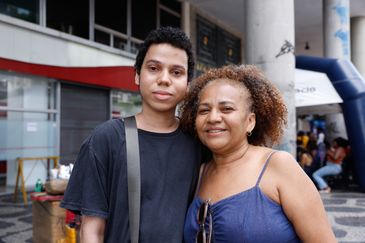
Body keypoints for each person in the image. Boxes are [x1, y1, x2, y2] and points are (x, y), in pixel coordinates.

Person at [60, 26, 201, 242]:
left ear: (188, 85)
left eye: (176, 72)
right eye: (154, 68)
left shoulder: (198, 143)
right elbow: (92, 230)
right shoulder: (106, 139)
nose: (164, 79)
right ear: (137, 75)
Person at [180, 65, 336, 242]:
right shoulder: (201, 172)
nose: (213, 118)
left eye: (227, 109)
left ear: (250, 121)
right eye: (204, 110)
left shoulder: (279, 165)